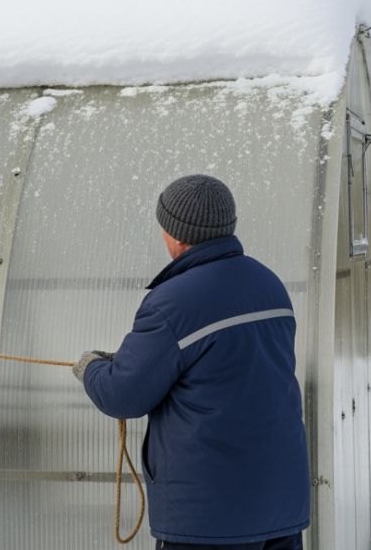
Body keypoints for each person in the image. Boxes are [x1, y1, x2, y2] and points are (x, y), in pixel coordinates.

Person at [74, 175, 310, 549]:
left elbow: (122, 396)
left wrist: (90, 367)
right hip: (279, 504)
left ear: (176, 234)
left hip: (210, 518)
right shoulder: (269, 284)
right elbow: (226, 368)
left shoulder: (172, 303)